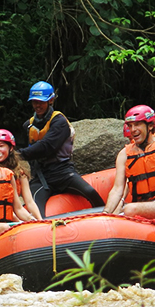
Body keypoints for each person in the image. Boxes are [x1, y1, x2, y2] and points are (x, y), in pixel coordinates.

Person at [17, 81, 105, 217]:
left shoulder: (59, 122)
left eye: (41, 101)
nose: (37, 105)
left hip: (62, 172)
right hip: (41, 176)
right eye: (34, 102)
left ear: (50, 100)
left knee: (90, 191)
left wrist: (18, 155)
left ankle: (106, 216)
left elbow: (47, 147)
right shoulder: (27, 125)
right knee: (36, 211)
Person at [102, 105, 155, 220]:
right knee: (117, 213)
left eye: (137, 125)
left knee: (129, 209)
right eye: (130, 126)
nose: (132, 130)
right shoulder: (124, 154)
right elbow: (117, 190)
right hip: (143, 204)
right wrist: (106, 213)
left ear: (150, 126)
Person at [0, 129, 43, 220]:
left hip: (16, 214)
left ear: (11, 148)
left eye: (1, 146)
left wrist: (40, 220)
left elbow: (29, 202)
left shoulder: (19, 172)